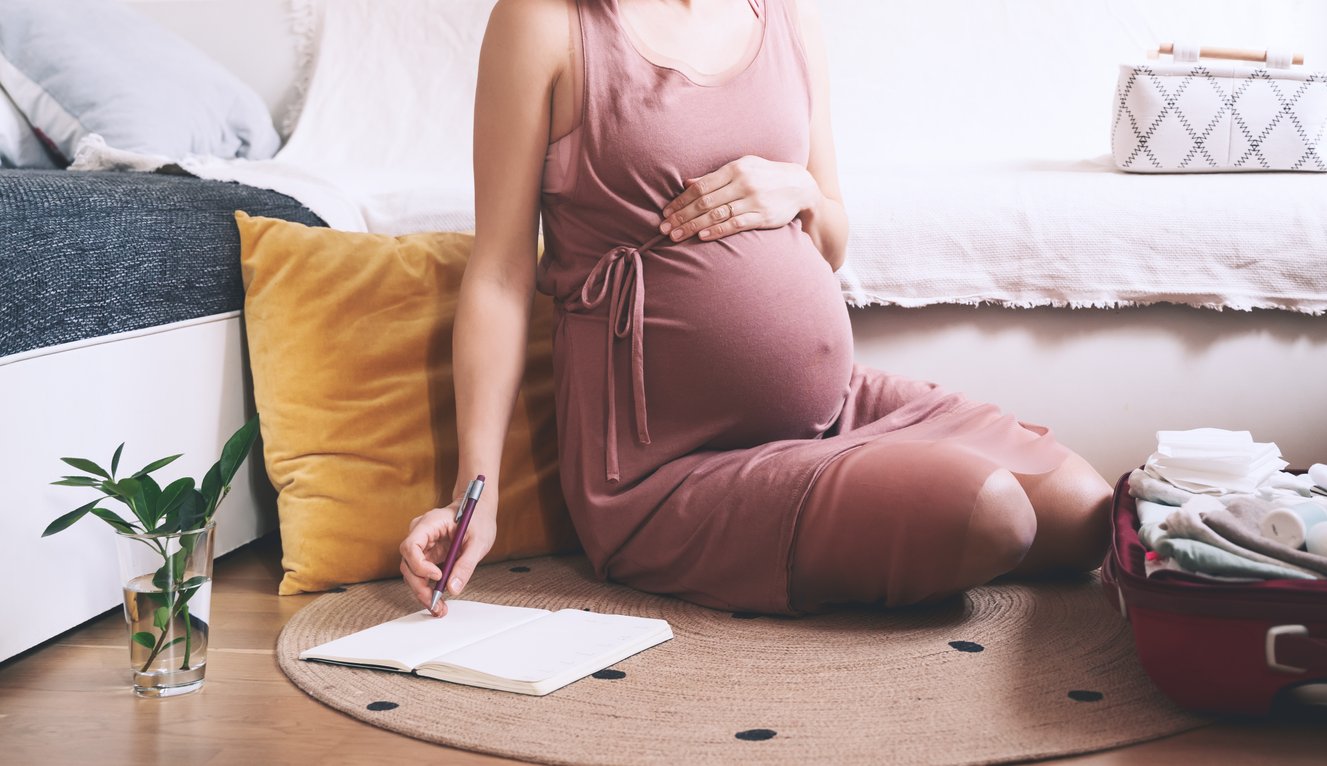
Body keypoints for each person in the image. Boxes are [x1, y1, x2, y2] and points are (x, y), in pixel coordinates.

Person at [400, 0, 1112, 617]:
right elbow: (499, 273)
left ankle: (875, 503)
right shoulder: (546, 24)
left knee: (1085, 512)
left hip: (835, 410)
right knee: (992, 515)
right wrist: (476, 490)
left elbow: (831, 236)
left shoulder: (788, 18)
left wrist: (798, 188)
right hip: (663, 470)